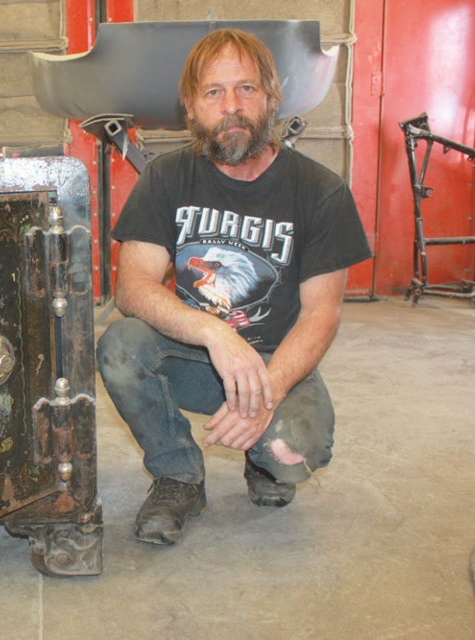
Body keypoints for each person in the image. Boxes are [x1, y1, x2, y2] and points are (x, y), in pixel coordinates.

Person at [96, 28, 372, 545]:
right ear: (191, 106)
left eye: (246, 89)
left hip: (275, 361)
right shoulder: (166, 179)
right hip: (197, 358)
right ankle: (178, 476)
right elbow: (132, 286)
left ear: (271, 97)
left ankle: (262, 460)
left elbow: (321, 314)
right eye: (214, 92)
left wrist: (269, 394)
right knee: (120, 346)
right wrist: (215, 334)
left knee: (290, 455)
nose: (232, 107)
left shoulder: (320, 191)